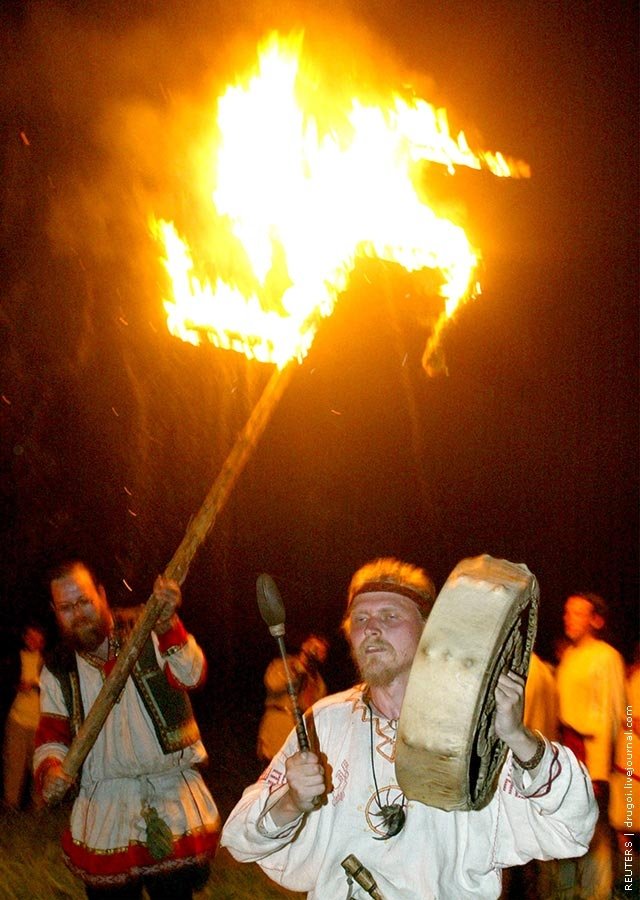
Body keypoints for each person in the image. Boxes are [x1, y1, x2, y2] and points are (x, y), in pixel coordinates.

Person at [220, 557, 598, 899]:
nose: (371, 629)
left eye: (390, 616)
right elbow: (239, 838)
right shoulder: (325, 721)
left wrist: (518, 738)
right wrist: (291, 801)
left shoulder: (475, 731)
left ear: (427, 631)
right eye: (361, 619)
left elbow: (573, 827)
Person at [33, 560, 221, 899]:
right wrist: (50, 771)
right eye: (66, 607)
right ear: (54, 611)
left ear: (102, 595)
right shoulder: (57, 668)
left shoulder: (148, 625)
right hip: (106, 806)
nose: (78, 613)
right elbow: (51, 735)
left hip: (170, 797)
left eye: (84, 601)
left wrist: (168, 625)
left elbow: (193, 675)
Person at [555, 591, 627, 900]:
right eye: (567, 612)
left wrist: (601, 767)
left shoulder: (606, 656)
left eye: (577, 613)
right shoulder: (570, 657)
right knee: (566, 829)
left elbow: (615, 713)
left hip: (590, 757)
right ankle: (568, 892)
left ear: (595, 620)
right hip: (567, 755)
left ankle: (597, 893)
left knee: (595, 833)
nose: (568, 618)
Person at [257, 633, 329, 764]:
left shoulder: (318, 683)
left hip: (299, 736)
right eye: (312, 647)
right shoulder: (282, 664)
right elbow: (272, 683)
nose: (315, 652)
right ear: (303, 646)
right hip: (277, 727)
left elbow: (312, 709)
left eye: (320, 652)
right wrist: (297, 669)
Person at [3, 623, 45, 809]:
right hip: (17, 720)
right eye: (29, 636)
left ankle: (39, 807)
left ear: (42, 641)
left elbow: (53, 689)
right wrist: (17, 685)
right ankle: (11, 805)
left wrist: (36, 686)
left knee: (38, 767)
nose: (32, 640)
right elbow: (6, 680)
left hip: (39, 723)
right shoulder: (15, 658)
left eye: (36, 637)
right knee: (14, 765)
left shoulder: (47, 662)